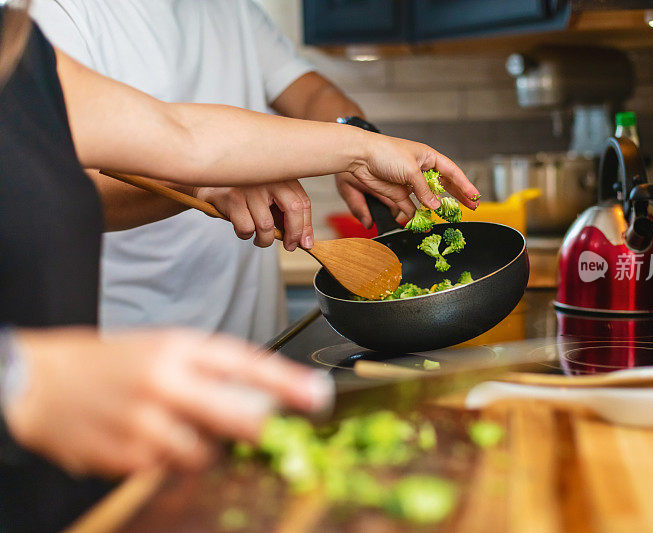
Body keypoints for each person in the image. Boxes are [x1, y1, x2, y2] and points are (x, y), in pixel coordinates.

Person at [0, 4, 479, 530]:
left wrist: (362, 150)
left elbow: (181, 135)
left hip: (60, 481)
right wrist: (23, 378)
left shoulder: (19, 49)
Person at [31, 0, 396, 344]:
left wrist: (354, 133)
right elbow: (60, 186)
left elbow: (312, 94)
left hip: (260, 339)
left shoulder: (228, 6)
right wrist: (199, 180)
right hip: (141, 344)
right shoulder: (56, 13)